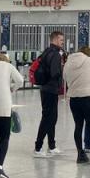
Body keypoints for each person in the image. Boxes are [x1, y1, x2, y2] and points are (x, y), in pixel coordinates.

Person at [63, 46, 90, 165]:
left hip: (74, 99)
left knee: (78, 126)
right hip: (88, 99)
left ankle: (80, 154)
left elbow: (65, 78)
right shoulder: (89, 61)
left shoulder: (68, 63)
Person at [34, 30, 65, 158]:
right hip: (51, 89)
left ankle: (51, 145)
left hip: (45, 88)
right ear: (56, 39)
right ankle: (38, 147)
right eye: (61, 40)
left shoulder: (46, 52)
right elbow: (55, 73)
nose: (62, 42)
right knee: (48, 118)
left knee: (52, 118)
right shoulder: (56, 55)